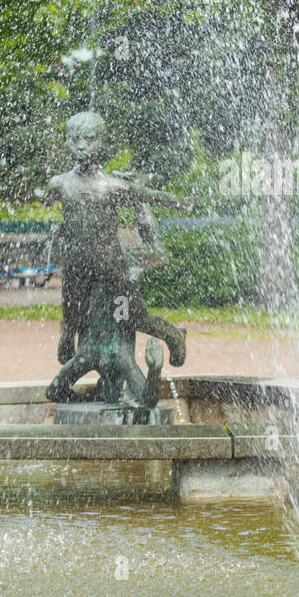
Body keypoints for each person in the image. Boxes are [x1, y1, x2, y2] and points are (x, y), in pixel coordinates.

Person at [40, 111, 194, 407]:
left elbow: (146, 194)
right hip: (77, 264)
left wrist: (178, 203)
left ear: (102, 142)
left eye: (89, 139)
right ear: (67, 142)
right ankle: (66, 340)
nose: (81, 146)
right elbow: (47, 200)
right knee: (71, 310)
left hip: (110, 264)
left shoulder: (112, 186)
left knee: (134, 315)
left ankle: (174, 336)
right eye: (75, 139)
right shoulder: (59, 183)